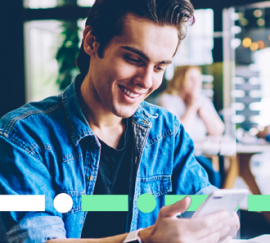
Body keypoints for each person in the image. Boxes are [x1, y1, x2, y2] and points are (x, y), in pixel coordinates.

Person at [0, 0, 239, 242]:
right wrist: (145, 239)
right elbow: (37, 239)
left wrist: (222, 219)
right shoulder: (24, 136)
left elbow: (203, 201)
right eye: (134, 59)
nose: (146, 81)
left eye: (159, 67)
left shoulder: (167, 131)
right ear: (92, 41)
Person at [157, 65, 225, 187]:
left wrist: (201, 111)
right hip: (178, 156)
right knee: (209, 174)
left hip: (200, 153)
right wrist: (191, 108)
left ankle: (212, 203)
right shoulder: (167, 99)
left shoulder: (203, 100)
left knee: (214, 174)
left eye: (198, 78)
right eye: (191, 78)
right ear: (180, 80)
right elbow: (176, 134)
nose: (196, 82)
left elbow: (218, 130)